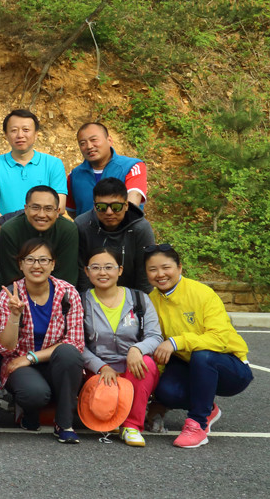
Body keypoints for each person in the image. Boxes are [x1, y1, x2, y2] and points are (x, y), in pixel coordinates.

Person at [145, 244, 254, 449]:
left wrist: (176, 342)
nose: (160, 274)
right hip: (188, 366)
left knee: (202, 355)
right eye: (152, 269)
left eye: (166, 267)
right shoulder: (152, 301)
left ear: (179, 267)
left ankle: (198, 424)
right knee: (167, 391)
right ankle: (208, 408)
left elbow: (219, 338)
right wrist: (156, 398)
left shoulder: (202, 293)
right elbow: (157, 347)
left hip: (228, 367)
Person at [0, 237, 85, 443]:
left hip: (54, 363)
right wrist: (14, 316)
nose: (37, 265)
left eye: (43, 260)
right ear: (21, 264)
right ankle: (28, 411)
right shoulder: (9, 295)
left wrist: (31, 357)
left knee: (69, 353)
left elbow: (75, 343)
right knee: (34, 394)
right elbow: (5, 349)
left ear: (53, 264)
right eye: (30, 260)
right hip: (19, 365)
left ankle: (64, 423)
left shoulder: (68, 293)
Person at [81, 246, 162, 446]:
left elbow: (155, 336)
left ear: (120, 270)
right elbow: (77, 344)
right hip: (98, 370)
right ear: (87, 271)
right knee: (104, 413)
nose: (102, 272)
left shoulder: (139, 299)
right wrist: (101, 366)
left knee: (146, 363)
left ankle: (131, 426)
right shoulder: (81, 301)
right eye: (95, 267)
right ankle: (110, 416)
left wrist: (137, 349)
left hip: (133, 367)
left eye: (109, 267)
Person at [0, 109, 67, 226]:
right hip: (6, 232)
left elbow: (60, 205)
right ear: (6, 135)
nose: (20, 135)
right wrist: (10, 232)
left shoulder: (53, 164)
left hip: (45, 232)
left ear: (36, 134)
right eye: (14, 130)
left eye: (26, 130)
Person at [75, 178, 156, 293]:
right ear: (94, 206)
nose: (109, 212)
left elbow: (144, 274)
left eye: (116, 207)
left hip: (131, 294)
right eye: (102, 207)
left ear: (126, 205)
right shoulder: (82, 226)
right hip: (92, 295)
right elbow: (81, 271)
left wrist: (140, 301)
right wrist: (87, 299)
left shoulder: (140, 229)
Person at [0, 186, 79, 288]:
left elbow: (66, 277)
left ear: (57, 212)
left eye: (48, 209)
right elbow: (11, 276)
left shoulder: (67, 230)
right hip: (17, 291)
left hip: (57, 291)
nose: (41, 215)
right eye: (35, 207)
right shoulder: (9, 231)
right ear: (26, 209)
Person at [67, 122, 148, 215]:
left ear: (109, 140)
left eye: (94, 140)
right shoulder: (74, 176)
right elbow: (72, 211)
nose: (89, 146)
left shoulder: (131, 166)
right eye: (82, 143)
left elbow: (133, 203)